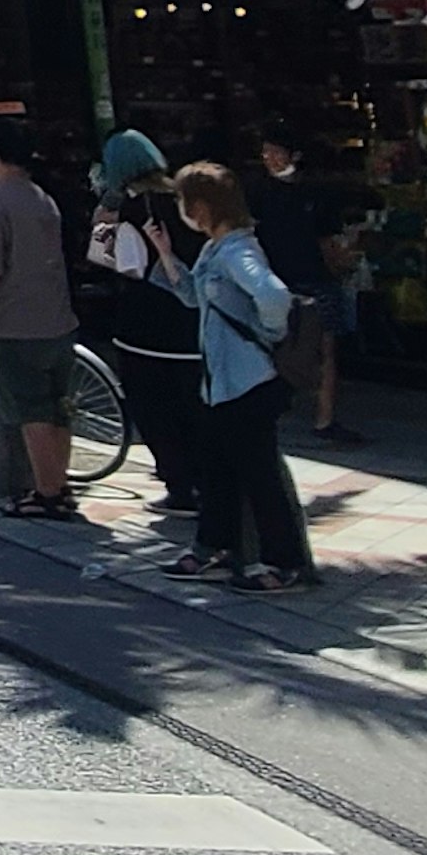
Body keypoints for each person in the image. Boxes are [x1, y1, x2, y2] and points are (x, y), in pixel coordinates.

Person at [173, 164, 313, 586]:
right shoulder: (214, 250)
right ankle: (213, 545)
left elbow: (273, 294)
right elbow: (197, 298)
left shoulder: (237, 251)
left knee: (260, 475)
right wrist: (164, 257)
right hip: (222, 384)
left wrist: (270, 331)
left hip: (249, 381)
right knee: (217, 470)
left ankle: (282, 563)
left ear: (199, 207)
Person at [82, 130, 206, 535]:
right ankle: (207, 481)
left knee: (154, 408)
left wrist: (105, 207)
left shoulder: (128, 210)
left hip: (143, 324)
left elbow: (103, 255)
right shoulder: (186, 199)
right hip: (193, 320)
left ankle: (180, 486)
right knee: (194, 406)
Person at [0, 127, 82, 524]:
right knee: (58, 407)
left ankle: (47, 492)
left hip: (16, 321)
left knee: (31, 409)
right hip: (58, 317)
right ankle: (59, 485)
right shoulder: (42, 198)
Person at [249, 130, 350, 442]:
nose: (270, 158)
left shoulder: (315, 193)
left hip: (315, 277)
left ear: (294, 156)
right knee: (275, 348)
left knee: (324, 350)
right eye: (266, 152)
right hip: (273, 280)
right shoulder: (257, 192)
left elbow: (329, 240)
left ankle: (324, 418)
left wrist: (340, 267)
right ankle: (275, 407)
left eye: (276, 151)